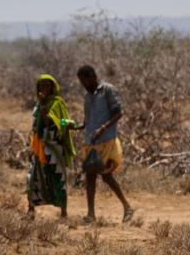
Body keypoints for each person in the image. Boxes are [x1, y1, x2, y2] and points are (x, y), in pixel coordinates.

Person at [73, 65, 134, 223]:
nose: (83, 84)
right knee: (90, 176)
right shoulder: (87, 97)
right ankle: (91, 214)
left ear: (93, 76)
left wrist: (104, 128)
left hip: (106, 140)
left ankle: (127, 207)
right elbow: (87, 122)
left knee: (106, 176)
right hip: (91, 142)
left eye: (85, 80)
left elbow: (118, 112)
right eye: (81, 81)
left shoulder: (107, 90)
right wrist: (74, 126)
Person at [27, 74, 77, 218]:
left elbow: (53, 122)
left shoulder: (57, 103)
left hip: (54, 146)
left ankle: (63, 212)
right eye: (41, 86)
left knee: (57, 178)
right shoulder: (38, 105)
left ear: (53, 87)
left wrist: (44, 107)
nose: (44, 88)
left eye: (47, 85)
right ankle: (31, 210)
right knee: (34, 178)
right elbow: (36, 125)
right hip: (39, 146)